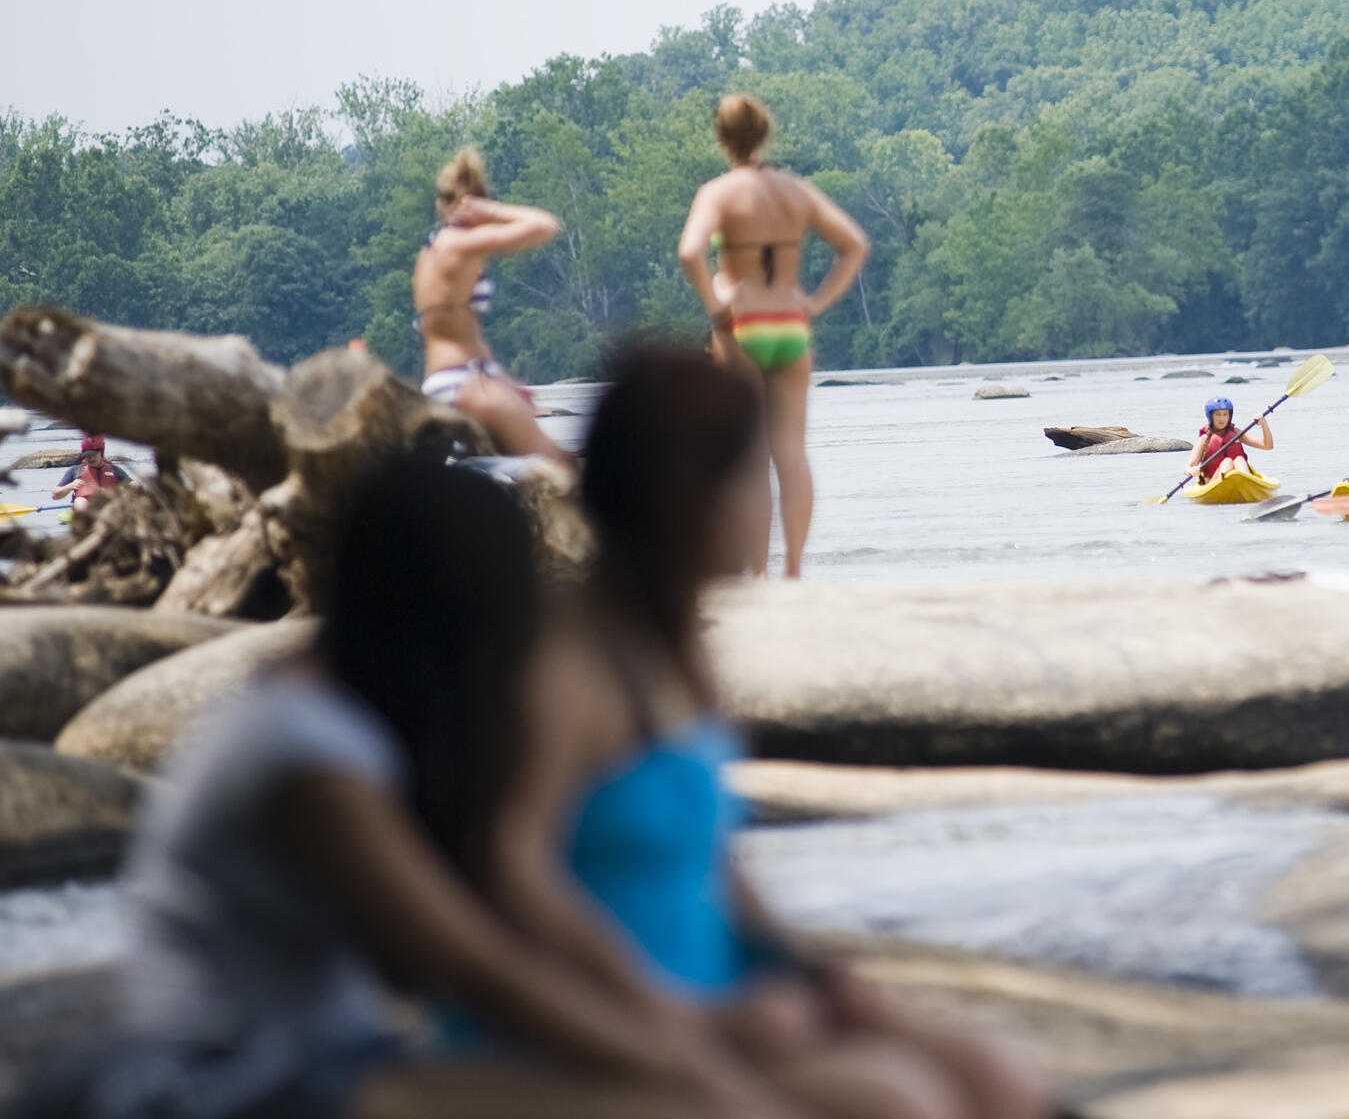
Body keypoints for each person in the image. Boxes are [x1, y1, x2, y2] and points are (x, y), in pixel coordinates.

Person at [16, 456, 795, 1119]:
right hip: (233, 1074)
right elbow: (473, 964)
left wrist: (692, 1029)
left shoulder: (333, 714)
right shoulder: (305, 756)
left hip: (321, 1057)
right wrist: (680, 1050)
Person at [485, 344, 1047, 1119]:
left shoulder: (679, 655)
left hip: (713, 1007)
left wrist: (813, 971)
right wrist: (674, 1018)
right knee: (895, 1100)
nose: (766, 505)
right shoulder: (570, 672)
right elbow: (508, 872)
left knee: (992, 1068)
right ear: (691, 493)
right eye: (754, 476)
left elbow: (708, 859)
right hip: (603, 1025)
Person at [677, 94, 872, 580]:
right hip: (789, 323)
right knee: (791, 450)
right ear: (765, 132)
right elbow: (855, 246)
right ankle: (794, 568)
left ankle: (757, 570)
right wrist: (814, 303)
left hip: (741, 326)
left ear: (721, 138)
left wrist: (714, 304)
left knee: (749, 455)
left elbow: (689, 251)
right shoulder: (796, 190)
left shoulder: (718, 193)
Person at [412, 147, 571, 465]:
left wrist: (505, 383)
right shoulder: (458, 243)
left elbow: (460, 334)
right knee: (561, 465)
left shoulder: (430, 252)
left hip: (452, 379)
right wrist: (492, 211)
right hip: (463, 381)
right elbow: (545, 225)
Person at [1189, 396, 1270, 482]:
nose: (1222, 418)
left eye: (1225, 414)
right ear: (1211, 416)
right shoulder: (1204, 439)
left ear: (1229, 416)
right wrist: (1192, 470)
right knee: (1227, 462)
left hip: (1240, 478)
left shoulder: (1237, 433)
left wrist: (1264, 424)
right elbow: (1189, 466)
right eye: (1217, 414)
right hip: (1214, 481)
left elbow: (1267, 445)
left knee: (1239, 460)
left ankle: (1246, 482)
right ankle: (1225, 483)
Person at [49, 434, 125, 512]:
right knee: (80, 501)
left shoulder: (115, 470)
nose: (91, 458)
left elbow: (133, 485)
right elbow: (54, 496)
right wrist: (69, 487)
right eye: (88, 455)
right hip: (85, 509)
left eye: (94, 455)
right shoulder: (75, 471)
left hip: (110, 508)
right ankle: (83, 517)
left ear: (101, 453)